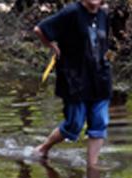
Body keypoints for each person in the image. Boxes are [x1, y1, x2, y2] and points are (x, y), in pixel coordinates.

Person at [32, 0, 112, 169]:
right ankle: (44, 148)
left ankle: (93, 168)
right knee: (74, 124)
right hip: (75, 79)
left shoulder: (104, 14)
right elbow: (40, 29)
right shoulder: (71, 12)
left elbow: (102, 43)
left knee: (99, 122)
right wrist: (52, 45)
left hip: (100, 78)